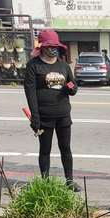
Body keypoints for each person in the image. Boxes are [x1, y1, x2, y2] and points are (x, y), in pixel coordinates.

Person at [24, 30, 81, 192]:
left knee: (66, 149)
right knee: (45, 150)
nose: (53, 49)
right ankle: (45, 183)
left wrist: (72, 88)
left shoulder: (63, 65)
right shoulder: (34, 66)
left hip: (63, 114)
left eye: (55, 46)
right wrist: (35, 118)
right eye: (49, 46)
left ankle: (69, 181)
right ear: (42, 47)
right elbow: (30, 93)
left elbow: (73, 86)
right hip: (44, 116)